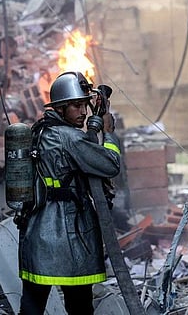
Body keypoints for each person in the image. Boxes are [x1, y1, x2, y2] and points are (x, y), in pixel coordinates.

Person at [17, 71, 121, 314]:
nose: (83, 112)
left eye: (84, 104)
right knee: (80, 303)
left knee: (32, 302)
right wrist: (109, 133)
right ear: (60, 109)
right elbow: (110, 164)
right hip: (71, 232)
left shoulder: (41, 130)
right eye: (75, 106)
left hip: (36, 230)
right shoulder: (70, 138)